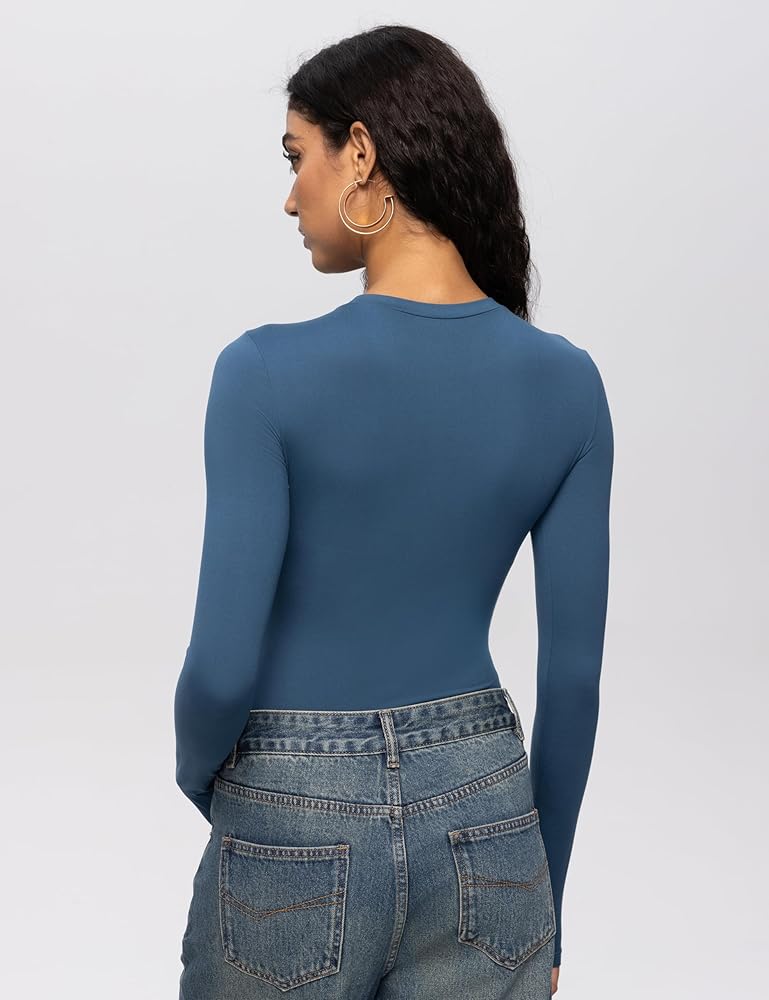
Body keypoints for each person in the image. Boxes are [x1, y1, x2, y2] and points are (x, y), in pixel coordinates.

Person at [175, 23, 613, 1000]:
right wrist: (541, 901)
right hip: (489, 813)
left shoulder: (262, 374)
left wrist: (209, 775)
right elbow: (573, 683)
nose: (290, 195)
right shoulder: (568, 385)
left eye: (297, 156)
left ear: (361, 152)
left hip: (288, 808)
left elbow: (218, 670)